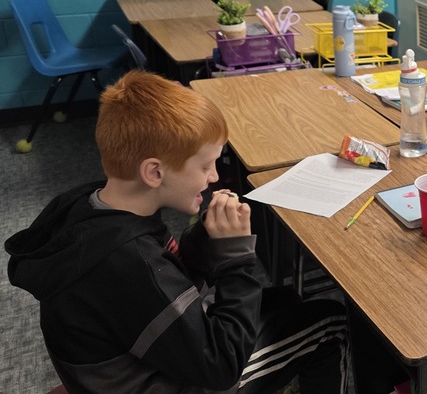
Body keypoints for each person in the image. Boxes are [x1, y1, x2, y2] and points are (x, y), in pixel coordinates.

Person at [6, 71, 347, 393]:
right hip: (172, 382)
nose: (214, 177)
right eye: (204, 166)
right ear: (154, 172)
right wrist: (236, 258)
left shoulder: (97, 206)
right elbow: (220, 366)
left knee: (283, 301)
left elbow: (175, 282)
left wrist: (206, 238)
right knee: (330, 322)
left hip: (138, 358)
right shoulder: (129, 262)